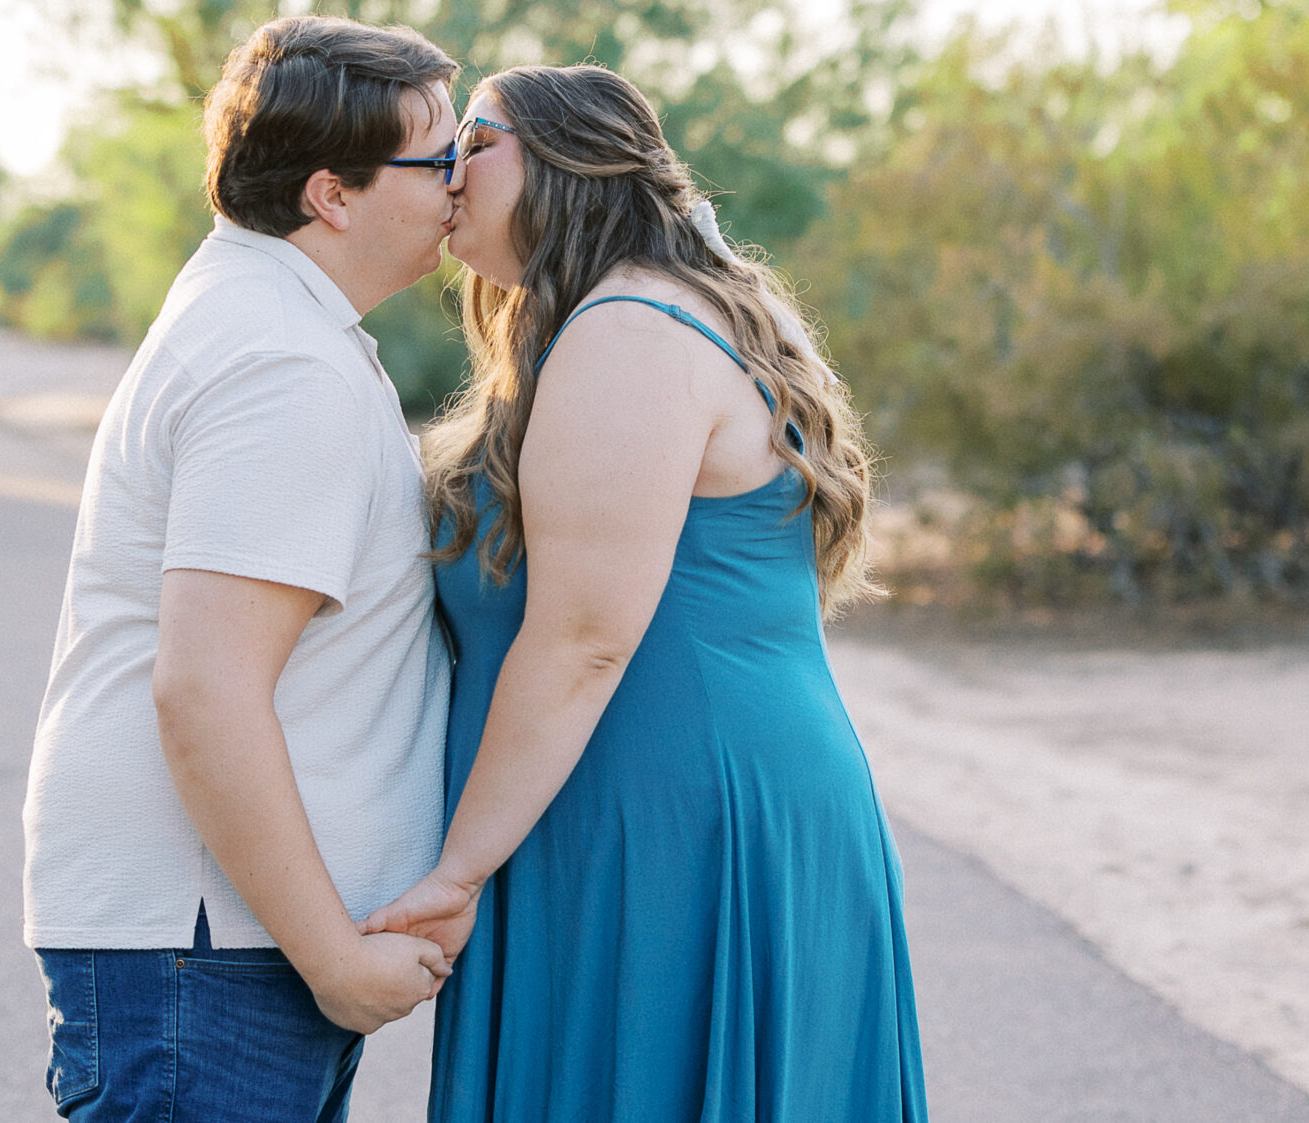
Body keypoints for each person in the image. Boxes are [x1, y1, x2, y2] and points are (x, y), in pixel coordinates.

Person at [362, 63, 931, 1121]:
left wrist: (457, 872)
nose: (449, 166)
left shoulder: (628, 328)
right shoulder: (676, 305)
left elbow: (582, 642)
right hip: (663, 791)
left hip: (662, 818)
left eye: (477, 140)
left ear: (569, 164)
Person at [22, 16, 467, 1123]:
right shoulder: (281, 361)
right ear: (334, 195)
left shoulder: (280, 321)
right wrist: (332, 957)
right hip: (211, 951)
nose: (461, 185)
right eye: (440, 159)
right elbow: (206, 688)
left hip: (222, 944)